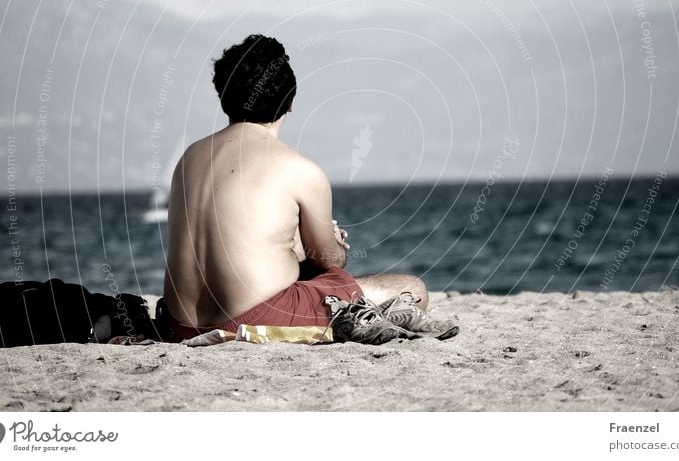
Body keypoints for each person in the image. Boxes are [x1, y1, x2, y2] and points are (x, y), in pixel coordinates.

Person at [161, 34, 457, 344]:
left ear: (224, 97)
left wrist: (298, 246)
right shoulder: (299, 169)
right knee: (413, 289)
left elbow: (237, 246)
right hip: (256, 319)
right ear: (290, 102)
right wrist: (332, 245)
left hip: (182, 322)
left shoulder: (189, 158)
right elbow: (329, 262)